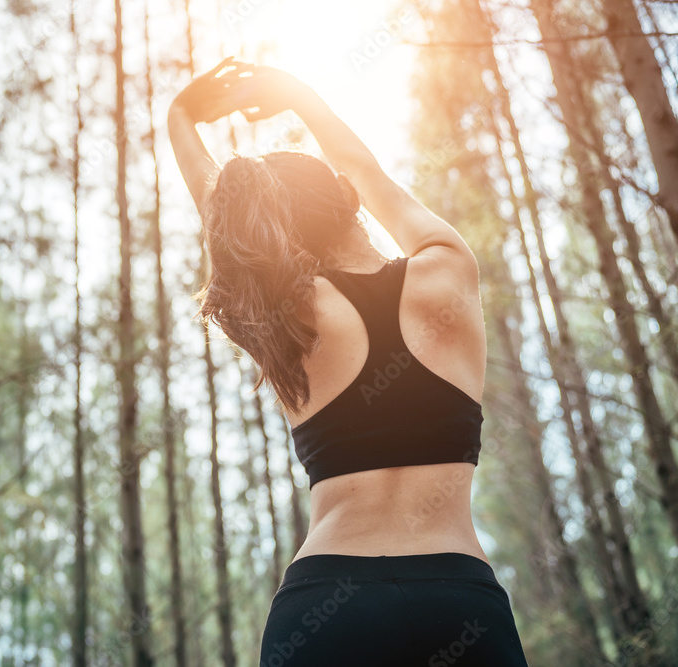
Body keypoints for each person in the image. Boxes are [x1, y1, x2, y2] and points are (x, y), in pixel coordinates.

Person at [168, 58, 530, 666]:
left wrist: (180, 119)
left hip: (326, 606)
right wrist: (302, 99)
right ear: (347, 196)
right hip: (458, 600)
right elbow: (369, 173)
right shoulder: (446, 270)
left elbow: (224, 222)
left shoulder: (285, 311)